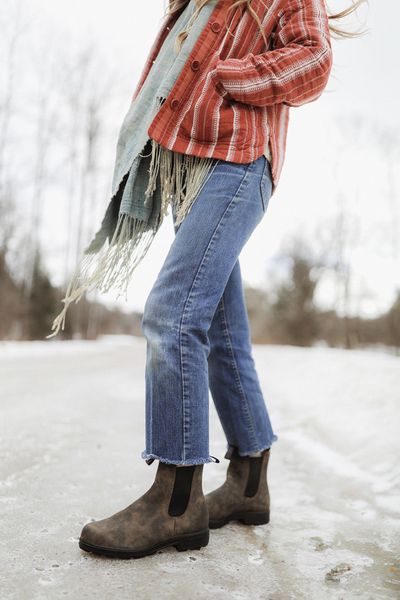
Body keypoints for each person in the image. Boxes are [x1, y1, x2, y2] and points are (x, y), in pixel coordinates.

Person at [50, 0, 365, 559]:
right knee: (221, 332)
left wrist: (225, 78)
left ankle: (176, 502)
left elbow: (313, 59)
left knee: (171, 316)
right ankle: (249, 481)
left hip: (238, 160)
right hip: (192, 163)